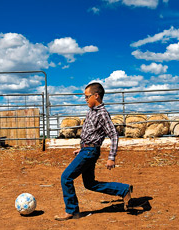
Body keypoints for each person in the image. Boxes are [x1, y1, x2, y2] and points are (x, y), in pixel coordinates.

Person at [54, 82, 133, 221]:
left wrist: (111, 156)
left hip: (90, 152)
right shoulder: (91, 111)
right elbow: (93, 134)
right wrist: (83, 147)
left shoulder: (102, 113)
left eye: (87, 97)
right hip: (87, 150)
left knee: (66, 177)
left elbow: (113, 134)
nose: (85, 99)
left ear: (96, 96)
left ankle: (72, 211)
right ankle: (123, 190)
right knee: (89, 184)